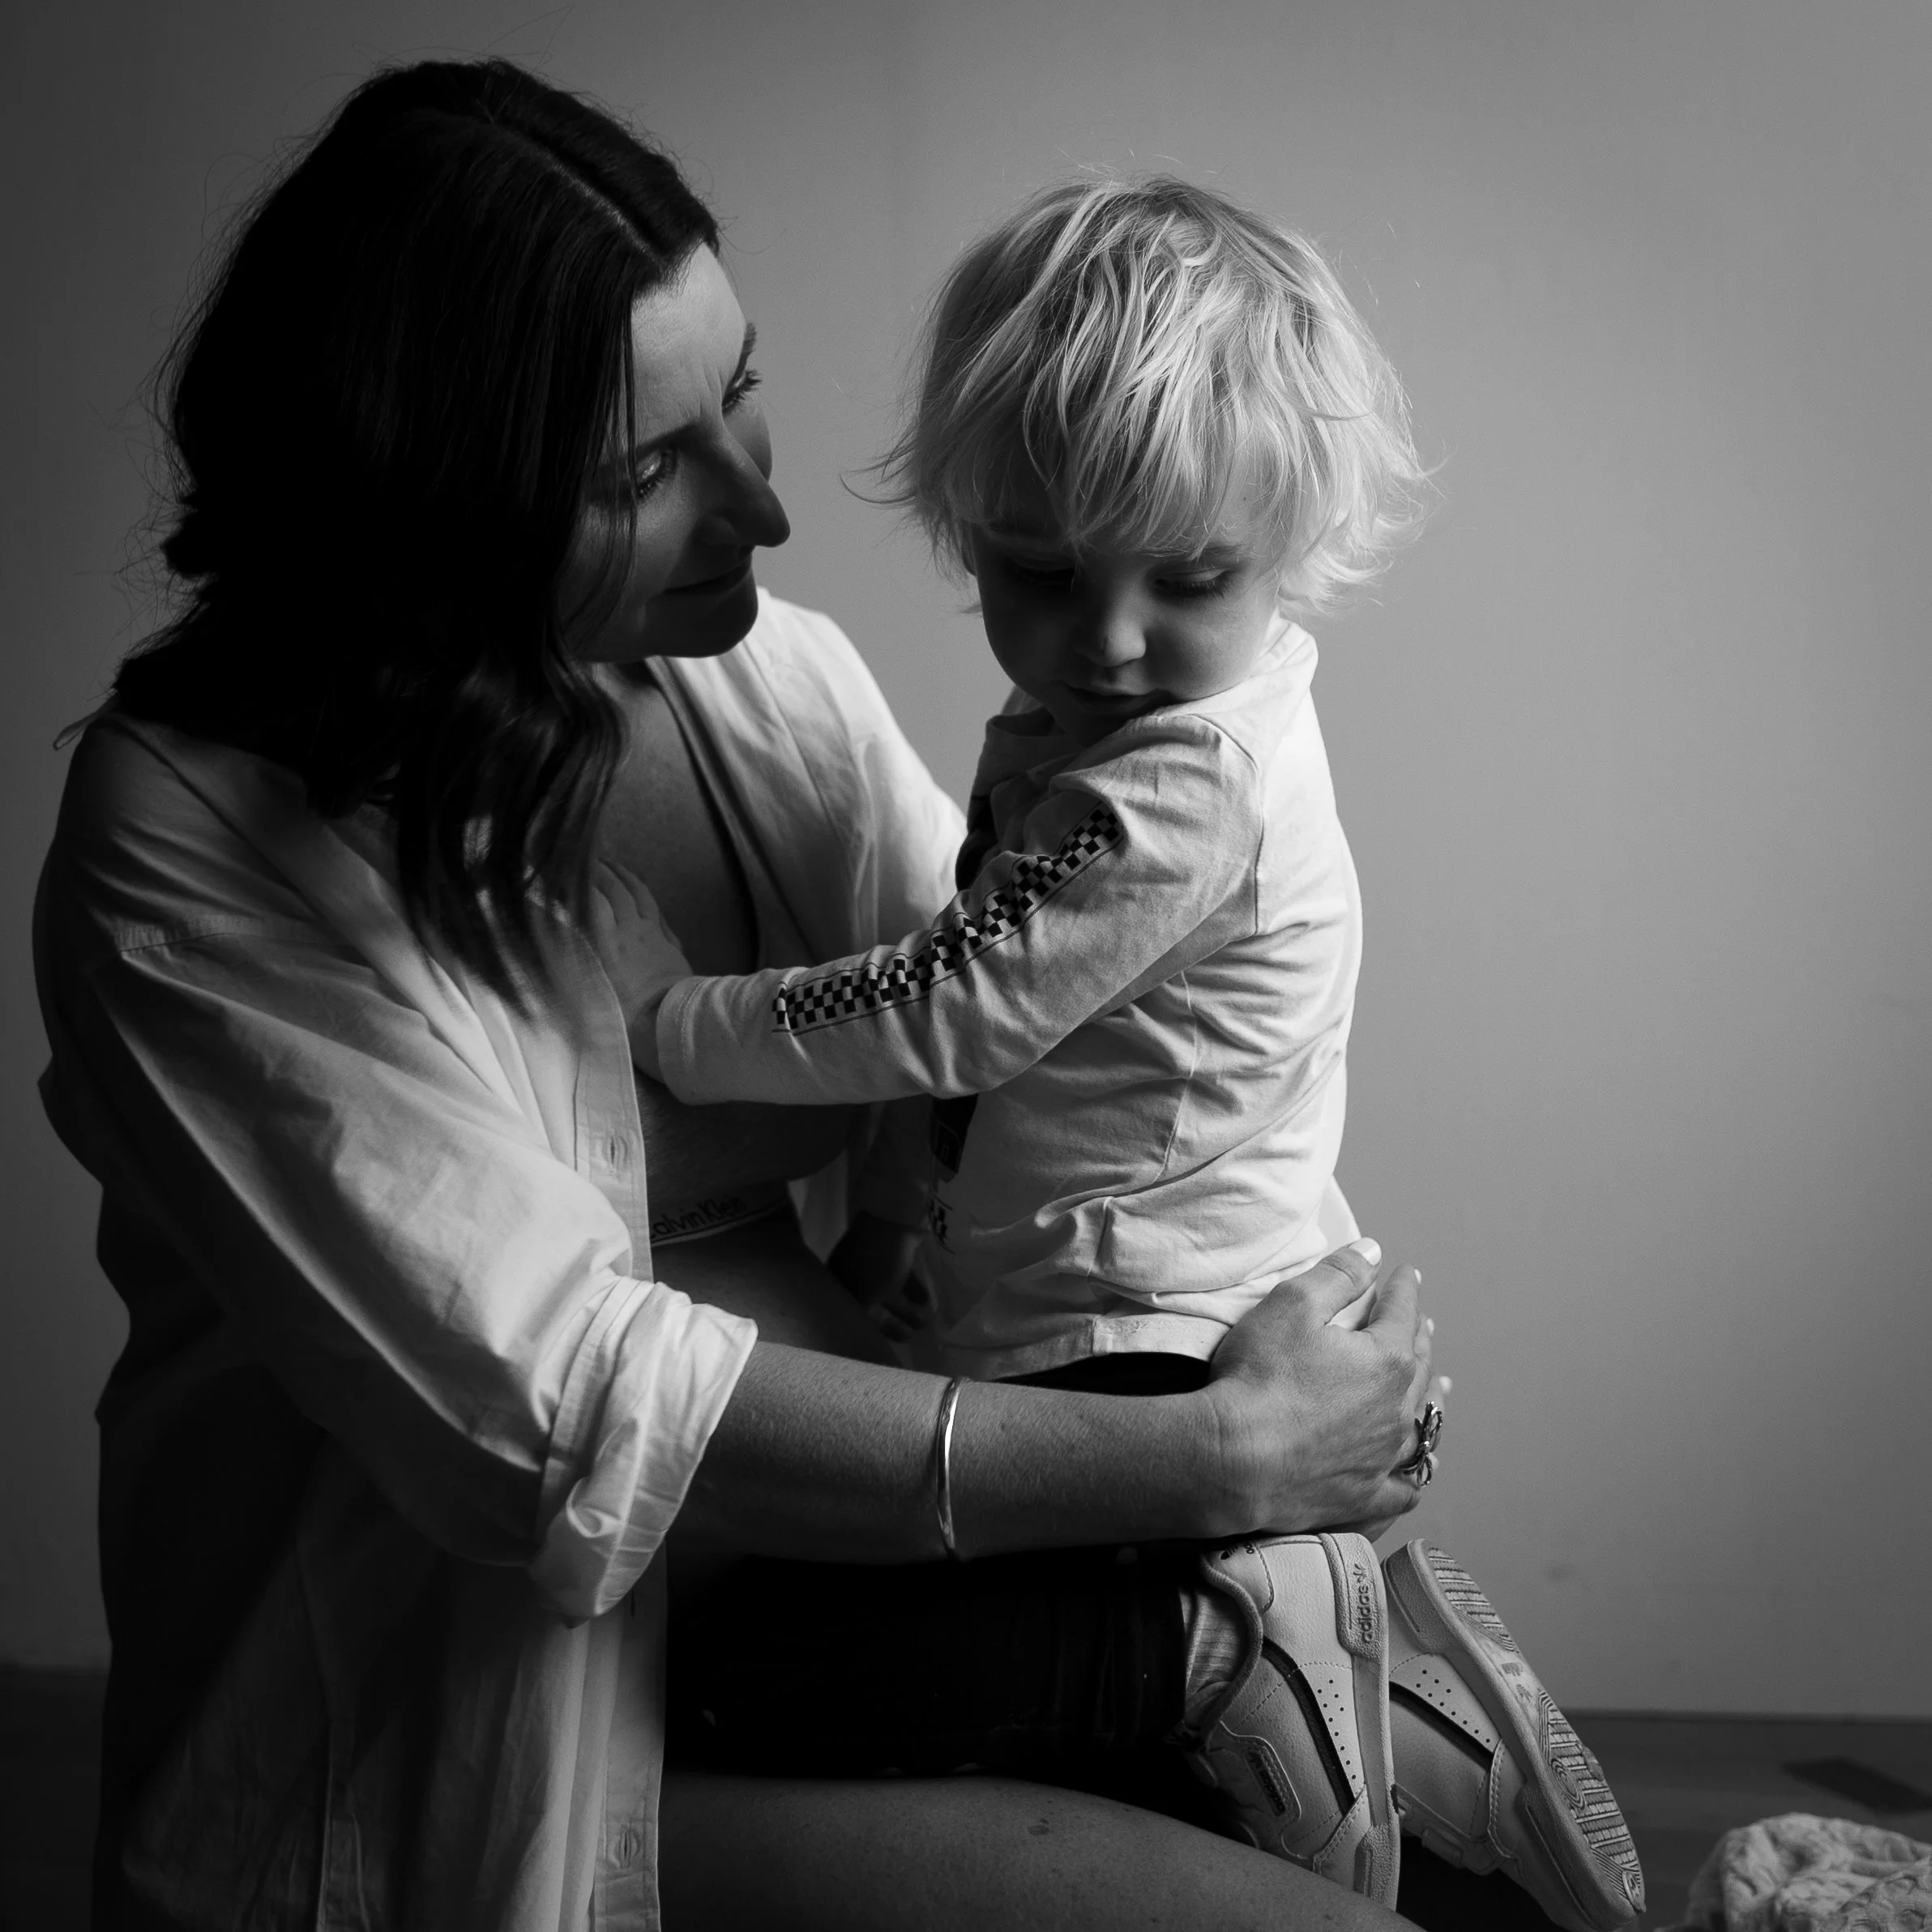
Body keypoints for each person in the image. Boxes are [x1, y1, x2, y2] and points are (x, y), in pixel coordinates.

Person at [34, 56, 1443, 1932]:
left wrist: (1297, 1348)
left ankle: (1210, 1645)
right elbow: (558, 1411)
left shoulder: (762, 678)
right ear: (435, 509)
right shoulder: (197, 835)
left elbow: (1003, 1028)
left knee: (1472, 1868)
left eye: (743, 391)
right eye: (642, 472)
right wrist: (1208, 1458)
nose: (761, 512)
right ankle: (1184, 1649)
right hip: (501, 1733)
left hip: (895, 1595)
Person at [592, 180, 1645, 1928]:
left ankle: (1226, 1646)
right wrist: (898, 1228)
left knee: (749, 1683)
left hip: (1141, 1349)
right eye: (1041, 572)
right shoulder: (1104, 727)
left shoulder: (1177, 780)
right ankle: (1361, 1709)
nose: (1111, 637)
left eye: (1191, 579)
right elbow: (998, 1017)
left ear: (1292, 544)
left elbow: (949, 1003)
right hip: (1096, 1323)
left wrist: (663, 1022)